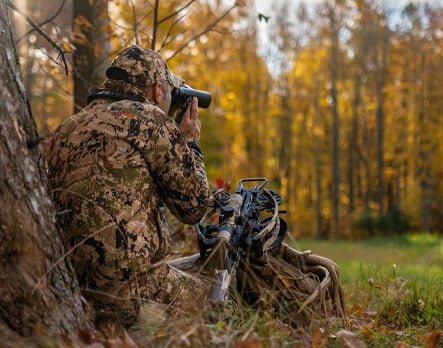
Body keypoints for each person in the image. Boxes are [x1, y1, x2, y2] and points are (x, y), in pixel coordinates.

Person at [47, 46, 211, 328]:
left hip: (71, 293)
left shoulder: (67, 128)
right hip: (137, 297)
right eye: (170, 94)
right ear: (158, 90)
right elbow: (195, 207)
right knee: (221, 302)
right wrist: (190, 143)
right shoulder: (151, 120)